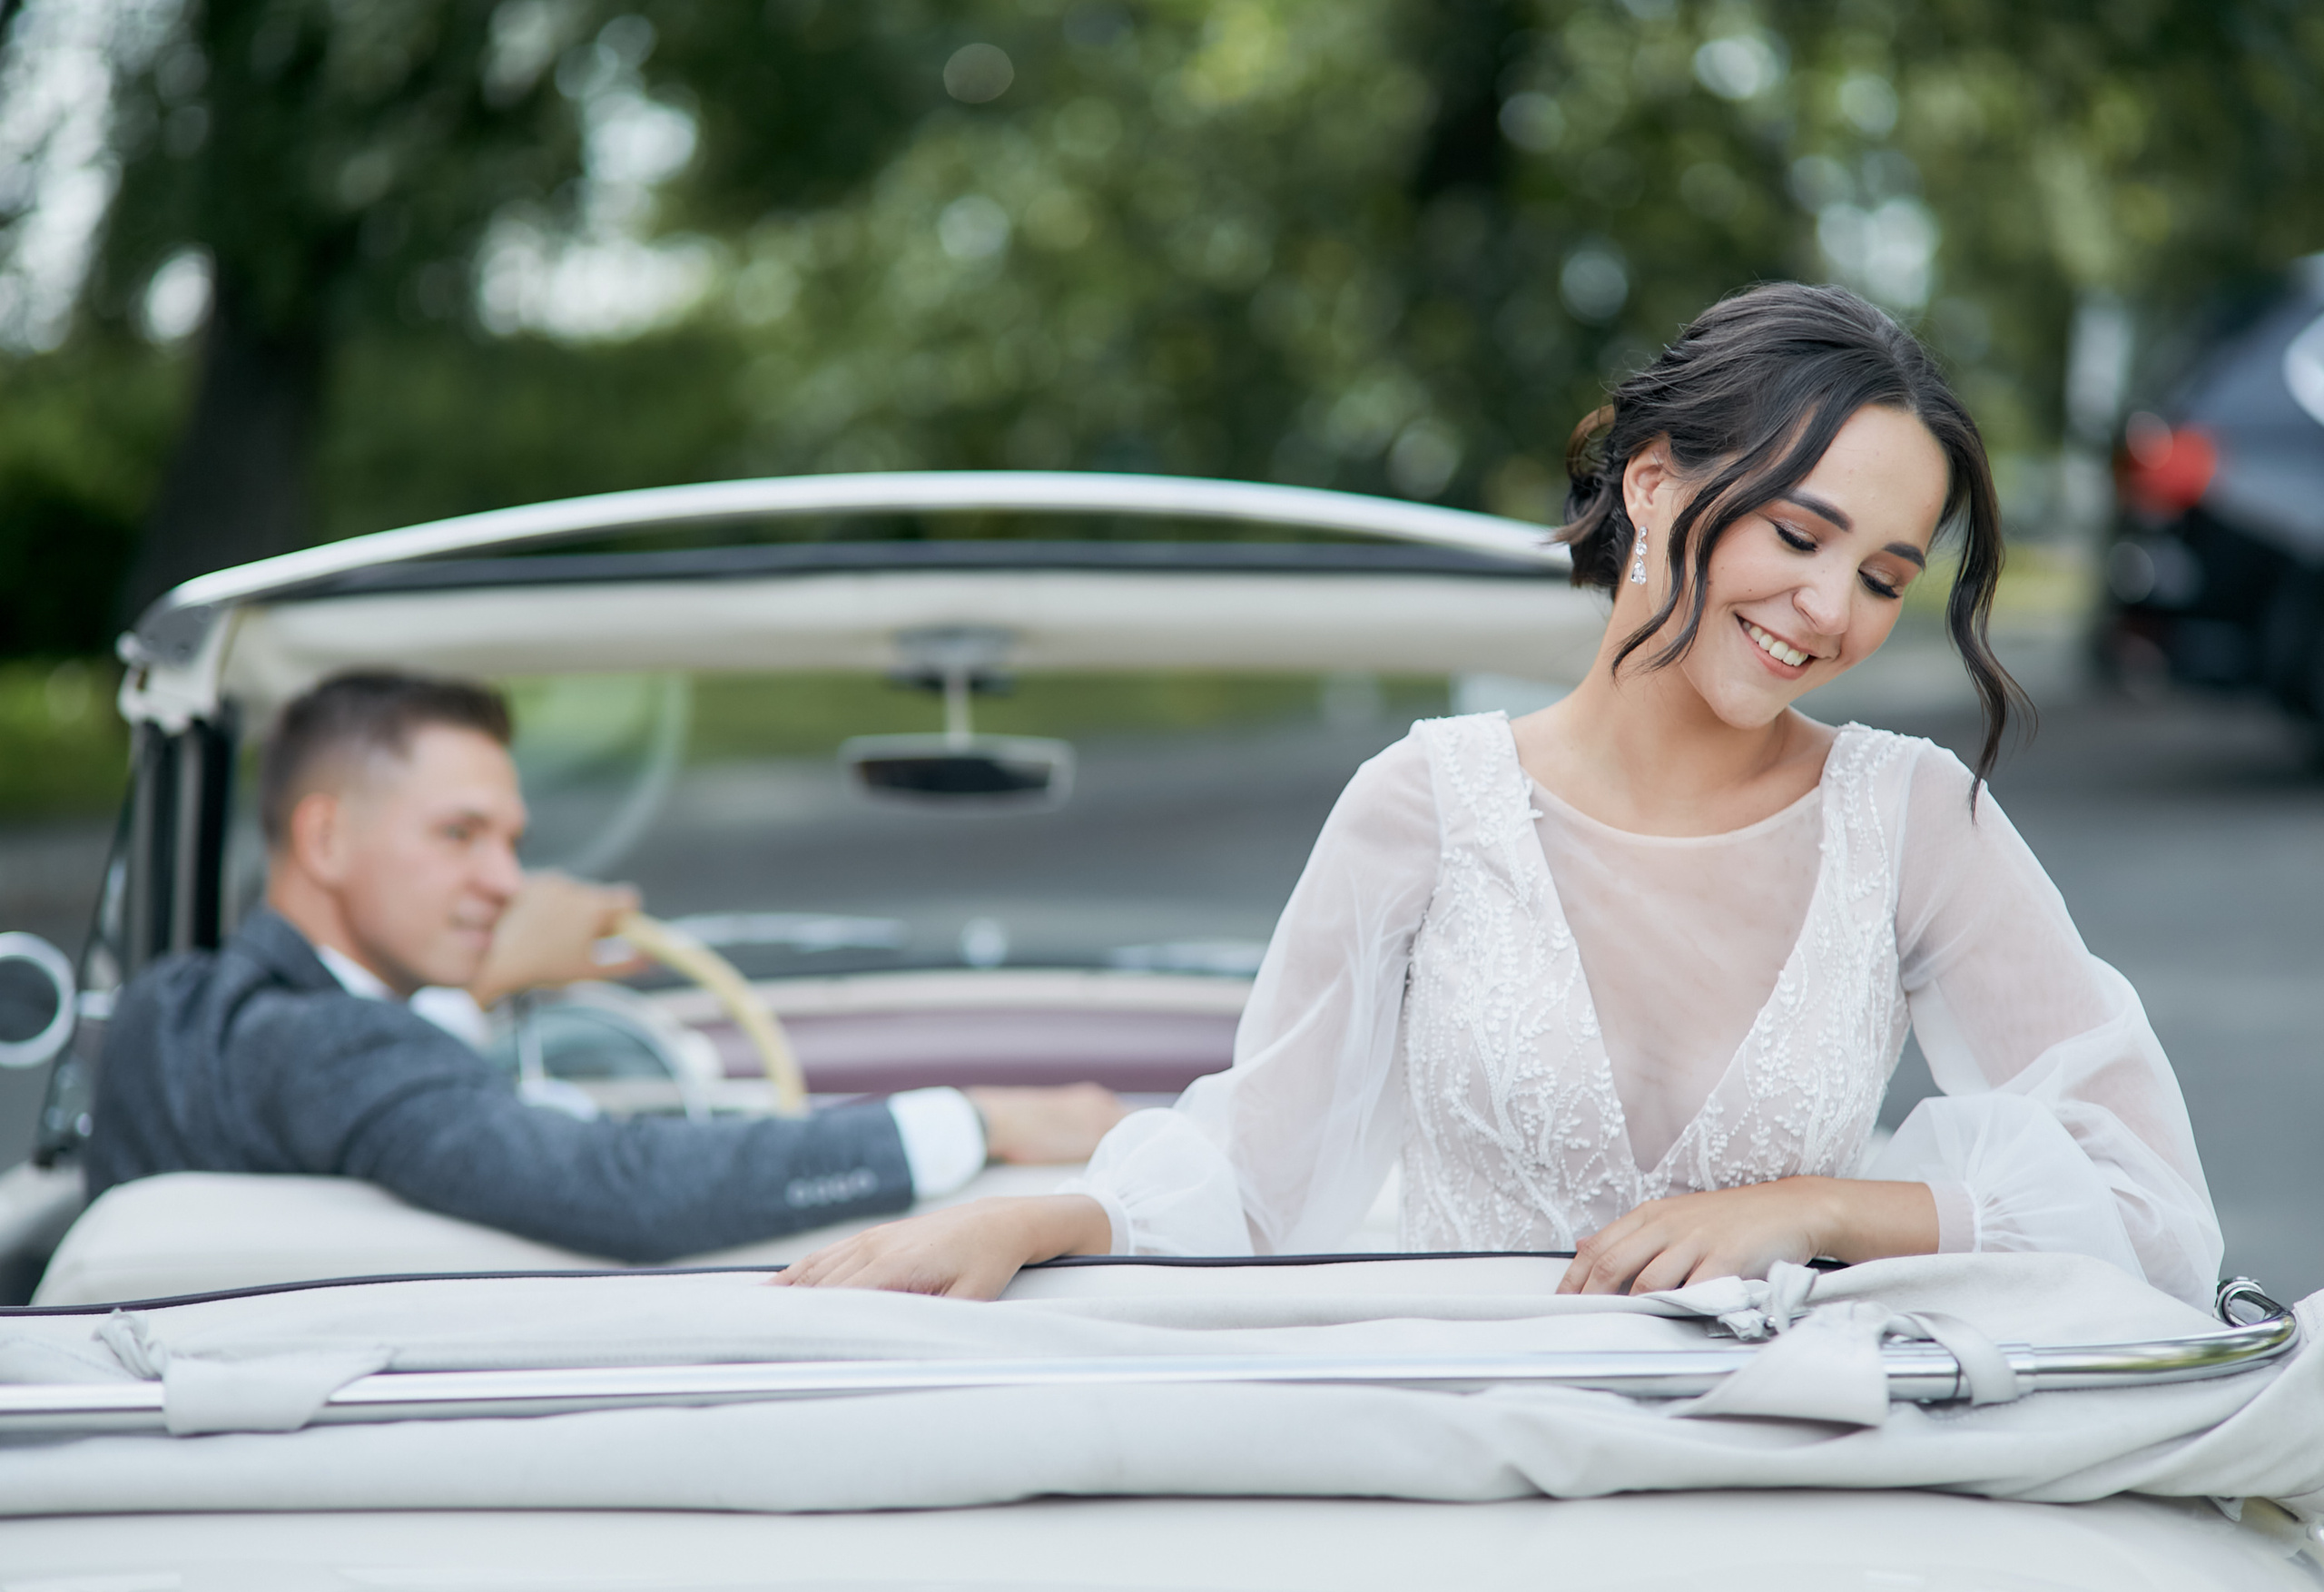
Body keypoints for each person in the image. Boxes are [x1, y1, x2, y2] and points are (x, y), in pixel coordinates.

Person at [774, 282, 2224, 1307]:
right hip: (1462, 1441)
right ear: (1655, 487)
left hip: (1782, 1470)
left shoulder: (1913, 820)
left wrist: (1820, 1209)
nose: (1831, 608)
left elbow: (2150, 1212)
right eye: (1800, 531)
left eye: (1888, 577)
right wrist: (1034, 1215)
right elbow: (1259, 1169)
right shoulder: (1424, 802)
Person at [84, 671, 1125, 1263]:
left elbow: (371, 1085)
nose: (507, 878)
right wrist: (980, 1118)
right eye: (459, 834)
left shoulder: (172, 1011)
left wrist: (473, 989)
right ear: (322, 840)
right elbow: (619, 1190)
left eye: (510, 838)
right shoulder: (321, 1047)